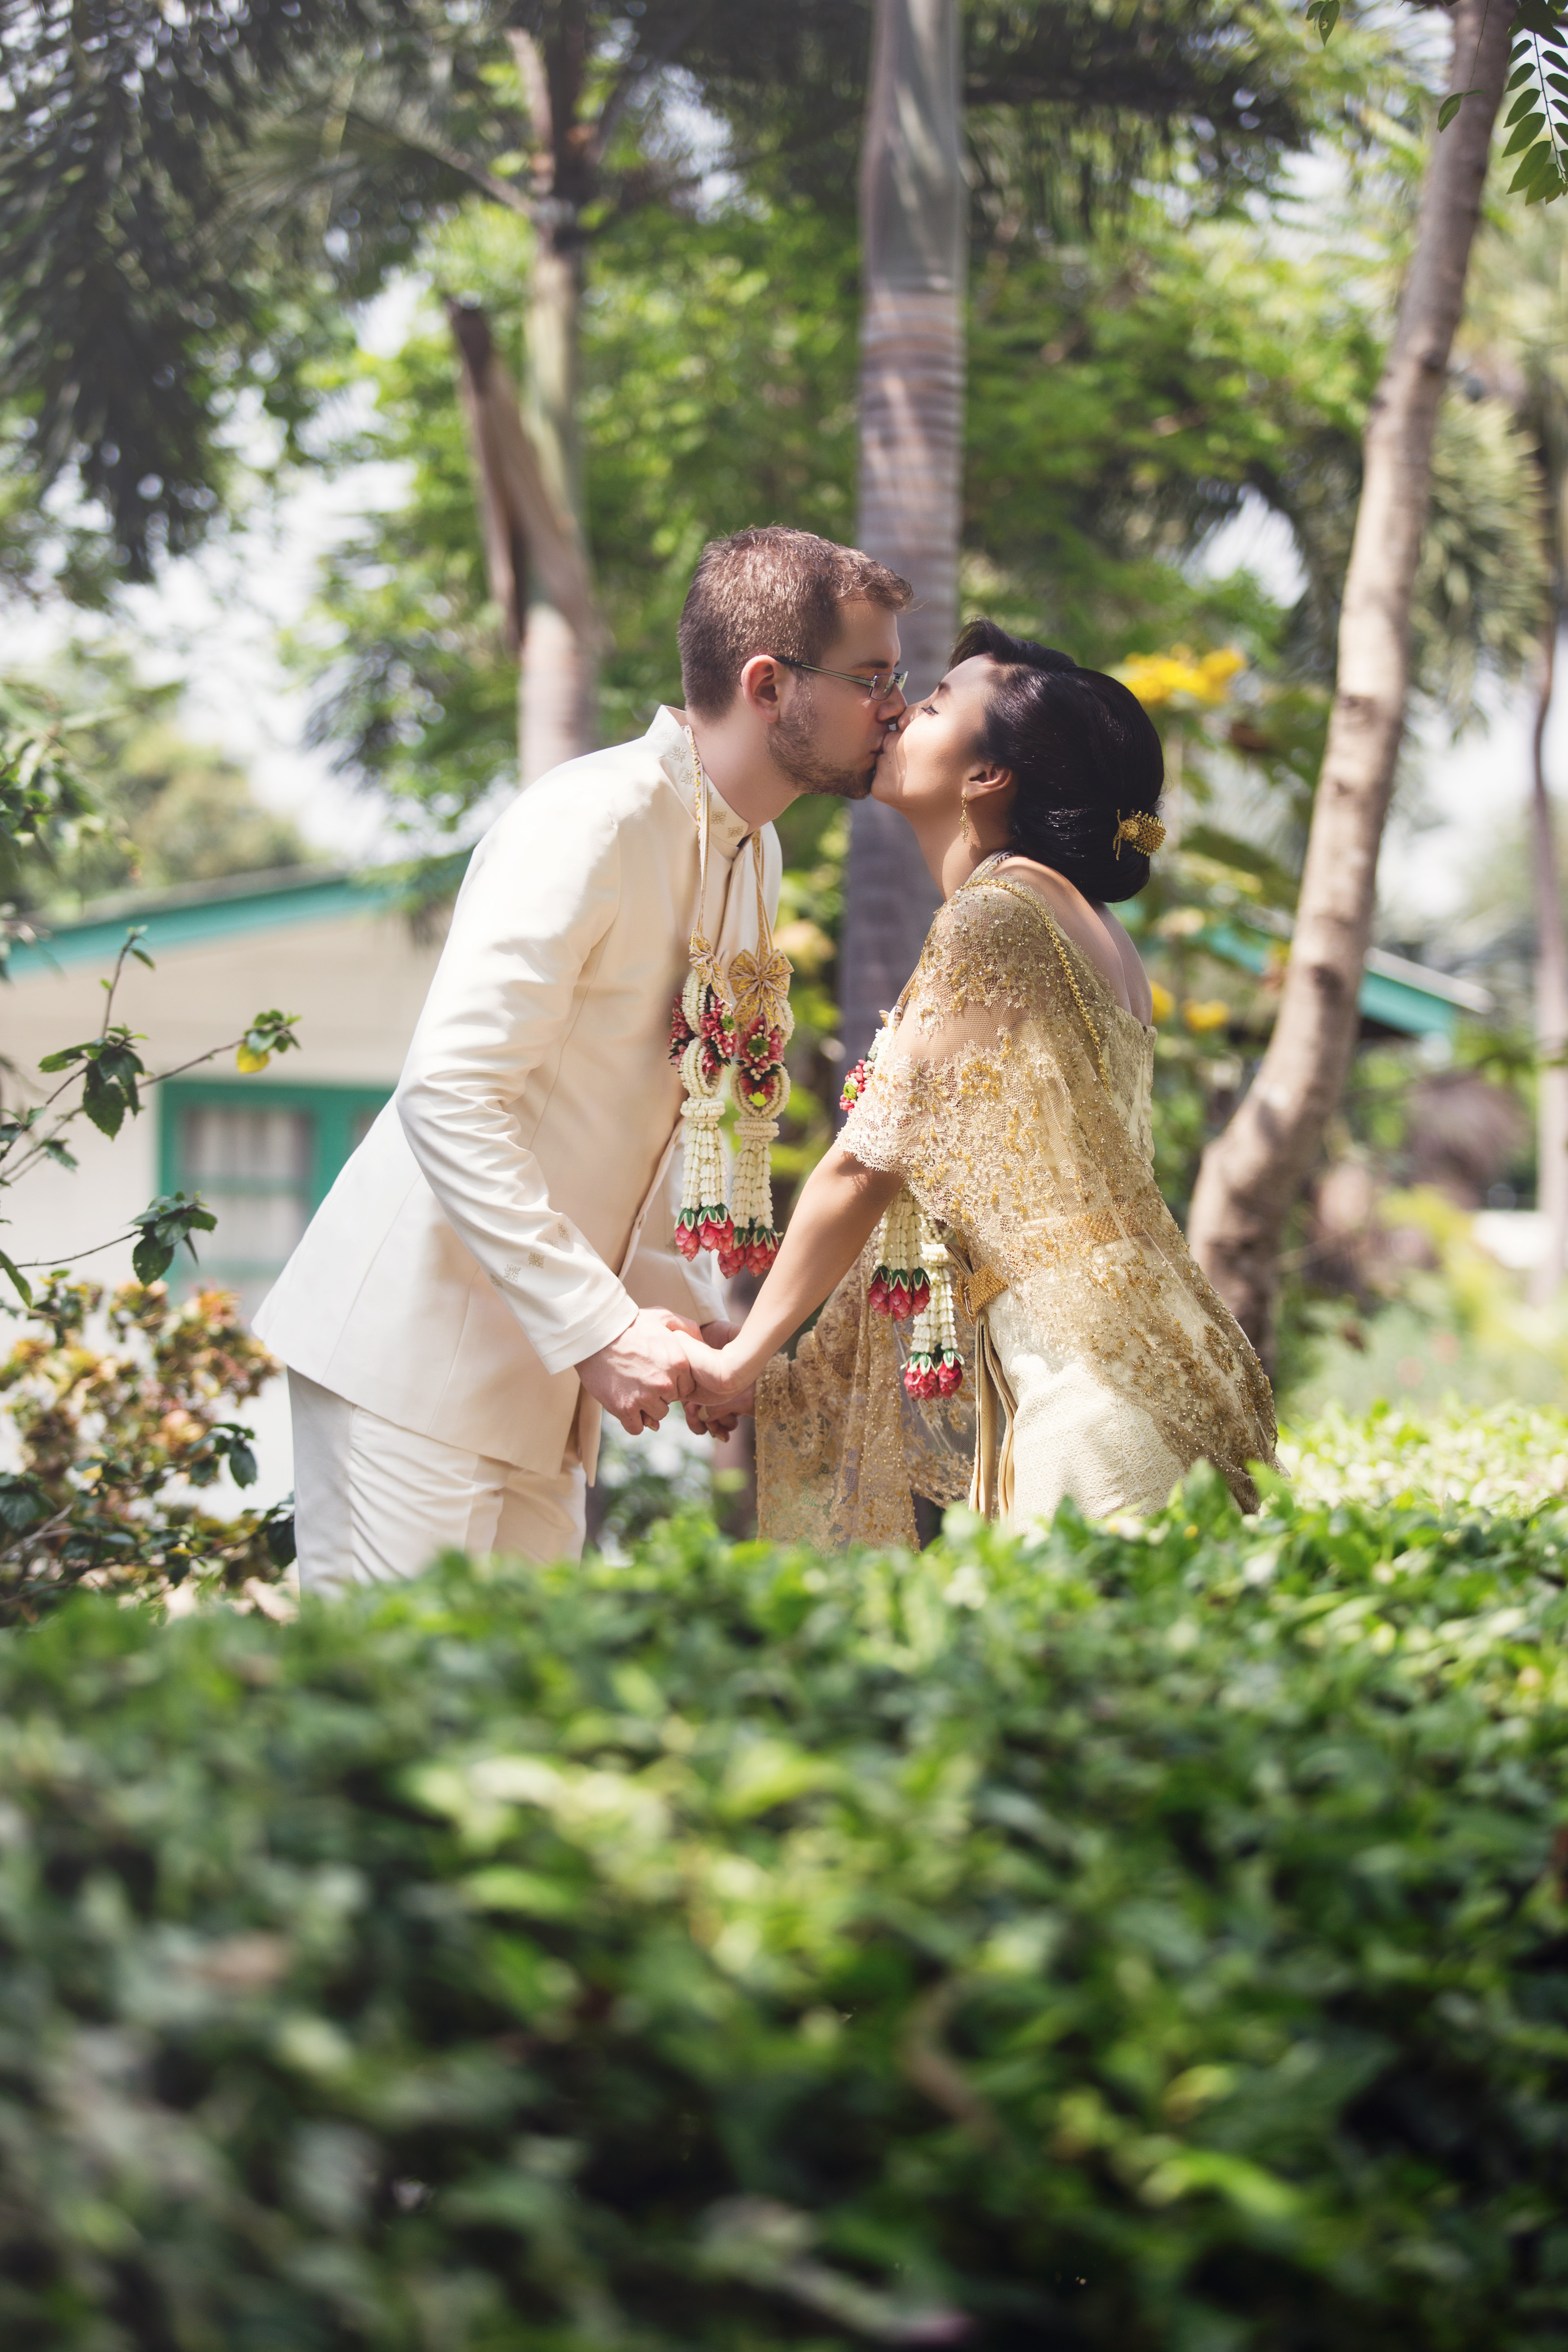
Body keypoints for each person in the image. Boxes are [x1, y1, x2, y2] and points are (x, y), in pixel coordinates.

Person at [254, 527, 913, 1588]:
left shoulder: (756, 849)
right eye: (873, 676)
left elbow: (659, 1118)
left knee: (510, 1732)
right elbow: (452, 1096)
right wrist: (603, 1327)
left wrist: (684, 1317)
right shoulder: (597, 816)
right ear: (767, 683)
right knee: (394, 1723)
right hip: (414, 1358)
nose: (896, 706)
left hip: (545, 1387)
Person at [682, 620, 1278, 1547]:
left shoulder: (994, 921)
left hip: (1094, 1396)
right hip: (1159, 1359)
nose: (892, 716)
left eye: (927, 706)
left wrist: (749, 1359)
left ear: (986, 776)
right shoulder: (1087, 929)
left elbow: (861, 1169)